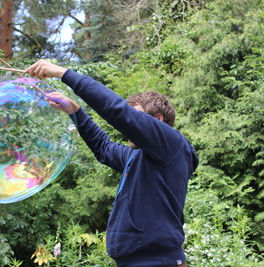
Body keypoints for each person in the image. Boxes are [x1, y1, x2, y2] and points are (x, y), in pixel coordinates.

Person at [25, 60, 199, 267]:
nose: (129, 127)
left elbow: (118, 112)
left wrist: (63, 73)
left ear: (158, 120)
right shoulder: (138, 157)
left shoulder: (172, 145)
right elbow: (103, 147)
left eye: (137, 118)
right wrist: (75, 112)